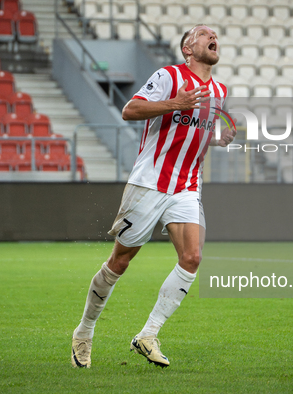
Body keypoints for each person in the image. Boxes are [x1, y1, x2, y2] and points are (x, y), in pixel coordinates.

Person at [71, 25, 236, 368]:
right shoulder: (168, 76)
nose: (213, 37)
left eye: (215, 34)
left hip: (187, 185)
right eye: (205, 34)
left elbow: (195, 132)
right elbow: (130, 110)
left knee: (192, 257)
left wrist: (218, 139)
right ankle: (84, 332)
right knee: (120, 262)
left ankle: (148, 334)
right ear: (188, 48)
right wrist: (174, 103)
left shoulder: (219, 90)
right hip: (149, 182)